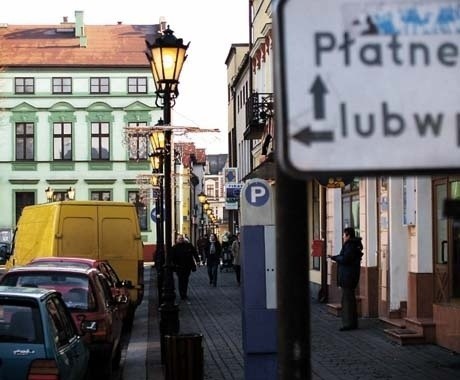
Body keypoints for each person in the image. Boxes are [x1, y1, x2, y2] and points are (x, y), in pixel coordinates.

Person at [328, 227, 363, 331]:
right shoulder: (352, 245)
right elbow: (343, 257)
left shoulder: (350, 246)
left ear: (348, 235)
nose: (343, 237)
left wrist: (335, 258)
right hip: (349, 276)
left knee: (347, 301)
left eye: (344, 235)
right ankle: (351, 323)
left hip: (348, 277)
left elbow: (345, 259)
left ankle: (349, 324)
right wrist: (334, 257)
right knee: (348, 300)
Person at [170, 234, 199, 300]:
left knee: (185, 280)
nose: (181, 240)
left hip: (187, 266)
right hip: (179, 267)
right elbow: (172, 257)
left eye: (181, 238)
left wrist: (197, 260)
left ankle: (184, 293)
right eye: (179, 239)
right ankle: (182, 294)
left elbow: (194, 253)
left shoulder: (188, 245)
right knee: (180, 280)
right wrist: (173, 265)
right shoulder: (174, 247)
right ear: (177, 240)